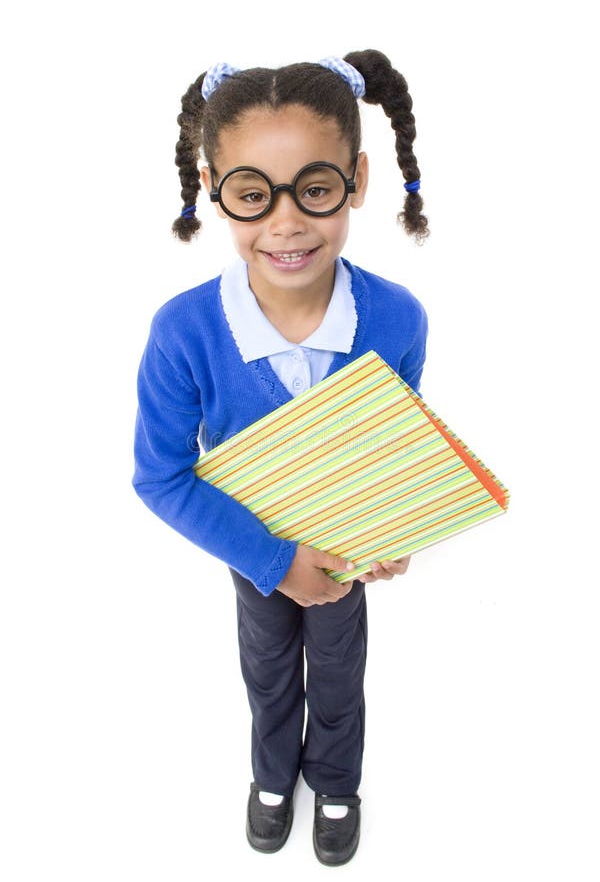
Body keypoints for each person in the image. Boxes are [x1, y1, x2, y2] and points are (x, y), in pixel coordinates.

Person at [133, 49, 429, 866]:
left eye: (316, 188)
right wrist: (273, 561)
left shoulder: (398, 320)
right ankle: (271, 777)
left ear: (357, 179)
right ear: (213, 186)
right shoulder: (184, 332)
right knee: (266, 666)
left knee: (338, 668)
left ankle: (335, 782)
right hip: (252, 549)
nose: (287, 223)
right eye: (253, 194)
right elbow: (160, 473)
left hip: (345, 548)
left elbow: (396, 441)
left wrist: (395, 528)